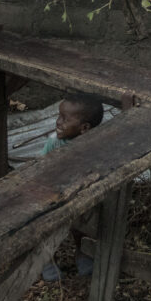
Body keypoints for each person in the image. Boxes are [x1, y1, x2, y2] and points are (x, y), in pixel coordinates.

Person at [40, 93, 105, 282]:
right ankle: (47, 261)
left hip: (80, 194)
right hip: (53, 193)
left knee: (82, 226)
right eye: (59, 116)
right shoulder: (54, 142)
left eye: (65, 119)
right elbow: (41, 171)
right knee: (47, 228)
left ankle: (83, 254)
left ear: (84, 128)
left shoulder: (96, 145)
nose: (58, 122)